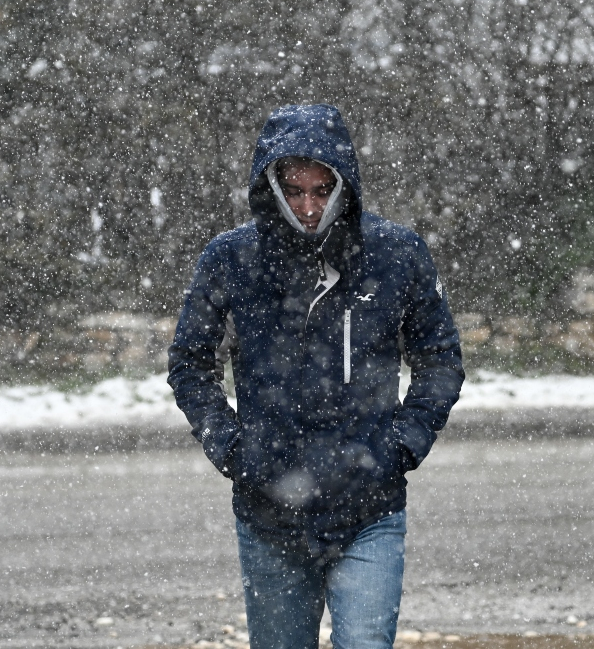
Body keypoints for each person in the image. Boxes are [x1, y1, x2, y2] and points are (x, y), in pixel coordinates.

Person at [168, 104, 463, 649]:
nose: (308, 206)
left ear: (343, 183)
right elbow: (190, 363)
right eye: (295, 190)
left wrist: (403, 443)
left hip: (370, 509)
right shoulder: (231, 260)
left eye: (322, 190)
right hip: (270, 517)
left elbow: (440, 358)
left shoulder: (396, 254)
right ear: (272, 186)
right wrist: (234, 449)